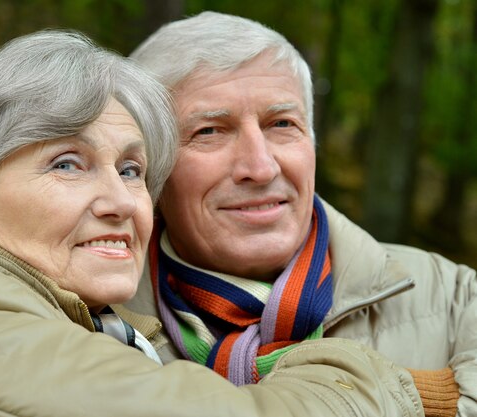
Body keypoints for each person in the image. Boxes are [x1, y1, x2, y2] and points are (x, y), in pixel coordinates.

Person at [0, 29, 423, 417]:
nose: (121, 201)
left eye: (130, 169)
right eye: (67, 163)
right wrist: (396, 388)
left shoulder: (92, 324)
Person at [124, 11, 477, 417]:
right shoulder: (87, 315)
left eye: (281, 124)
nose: (261, 167)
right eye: (209, 131)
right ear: (147, 166)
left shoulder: (456, 298)